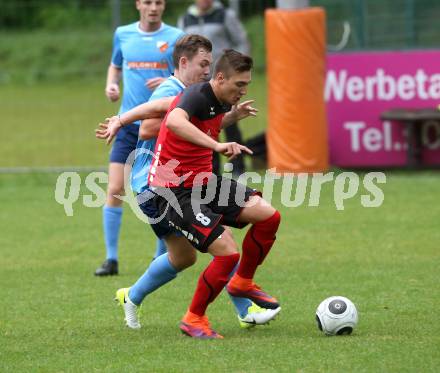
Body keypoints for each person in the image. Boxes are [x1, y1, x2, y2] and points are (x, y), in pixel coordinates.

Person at [96, 35, 280, 330]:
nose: (206, 71)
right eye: (203, 64)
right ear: (184, 63)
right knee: (216, 247)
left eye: (209, 64)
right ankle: (235, 310)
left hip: (194, 182)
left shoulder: (204, 94)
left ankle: (134, 295)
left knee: (183, 256)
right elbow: (157, 124)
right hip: (159, 187)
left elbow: (194, 117)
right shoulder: (185, 92)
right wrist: (214, 144)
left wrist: (231, 115)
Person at [149, 49, 282, 339]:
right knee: (226, 252)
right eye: (239, 84)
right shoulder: (197, 95)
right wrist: (217, 146)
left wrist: (233, 116)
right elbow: (174, 121)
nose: (243, 90)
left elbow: (208, 123)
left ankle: (243, 282)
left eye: (247, 84)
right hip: (173, 191)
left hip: (203, 182)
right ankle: (194, 318)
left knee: (268, 216)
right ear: (220, 78)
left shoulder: (219, 102)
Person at [95, 0, 184, 276]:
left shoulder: (174, 38)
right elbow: (115, 64)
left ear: (164, 6)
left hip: (159, 127)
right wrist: (112, 84)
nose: (153, 7)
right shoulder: (123, 33)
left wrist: (167, 80)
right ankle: (111, 259)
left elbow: (185, 76)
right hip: (129, 123)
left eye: (158, 2)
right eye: (148, 2)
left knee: (160, 194)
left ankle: (161, 258)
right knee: (115, 189)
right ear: (138, 5)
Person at [178, 0, 249, 177]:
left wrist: (237, 70)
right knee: (206, 126)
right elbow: (180, 50)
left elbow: (241, 42)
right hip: (200, 85)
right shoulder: (186, 19)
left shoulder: (225, 15)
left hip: (224, 82)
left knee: (230, 123)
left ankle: (237, 168)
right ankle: (211, 171)